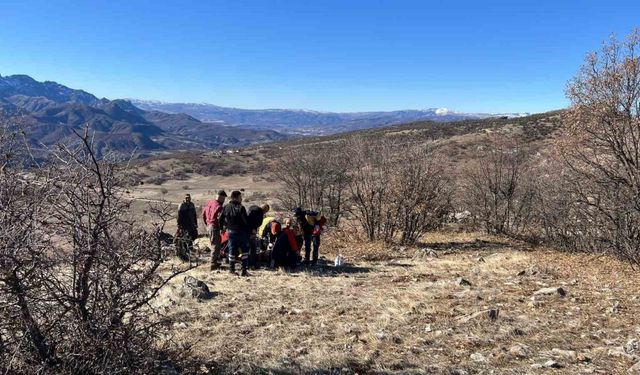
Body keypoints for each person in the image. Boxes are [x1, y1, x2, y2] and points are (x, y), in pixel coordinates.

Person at [220, 190, 250, 276]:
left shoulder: (226, 207)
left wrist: (221, 229)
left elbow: (220, 219)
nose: (241, 199)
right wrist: (249, 230)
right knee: (244, 251)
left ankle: (231, 270)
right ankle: (244, 270)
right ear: (236, 198)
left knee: (231, 251)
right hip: (241, 232)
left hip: (230, 232)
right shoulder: (241, 208)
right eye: (240, 197)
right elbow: (245, 222)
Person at [202, 190, 227, 270]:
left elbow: (203, 214)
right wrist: (222, 228)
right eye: (223, 198)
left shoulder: (209, 203)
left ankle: (215, 262)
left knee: (214, 244)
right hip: (215, 226)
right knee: (216, 246)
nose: (224, 200)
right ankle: (213, 264)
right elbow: (220, 219)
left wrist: (207, 224)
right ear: (220, 197)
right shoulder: (219, 207)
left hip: (209, 225)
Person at [247, 204, 270, 269]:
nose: (265, 212)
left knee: (248, 248)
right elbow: (254, 222)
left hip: (246, 230)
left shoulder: (252, 208)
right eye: (266, 210)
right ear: (264, 208)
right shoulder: (259, 212)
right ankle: (251, 264)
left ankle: (248, 263)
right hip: (251, 231)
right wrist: (253, 230)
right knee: (252, 248)